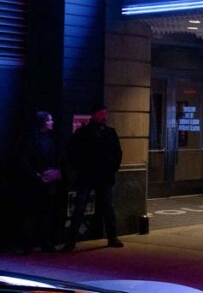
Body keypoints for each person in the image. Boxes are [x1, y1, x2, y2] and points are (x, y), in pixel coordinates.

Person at [63, 104, 124, 250]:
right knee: (80, 208)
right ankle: (72, 240)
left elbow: (117, 153)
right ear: (94, 115)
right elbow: (72, 153)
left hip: (101, 175)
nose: (105, 116)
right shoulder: (83, 133)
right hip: (89, 175)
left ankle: (111, 236)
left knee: (106, 207)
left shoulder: (109, 132)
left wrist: (112, 168)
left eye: (105, 113)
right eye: (102, 114)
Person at [18, 111, 62, 254]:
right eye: (50, 120)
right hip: (34, 182)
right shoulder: (32, 140)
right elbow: (25, 160)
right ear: (42, 122)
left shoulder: (49, 138)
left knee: (45, 213)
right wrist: (36, 175)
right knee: (32, 214)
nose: (52, 122)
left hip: (48, 181)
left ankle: (44, 242)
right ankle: (29, 244)